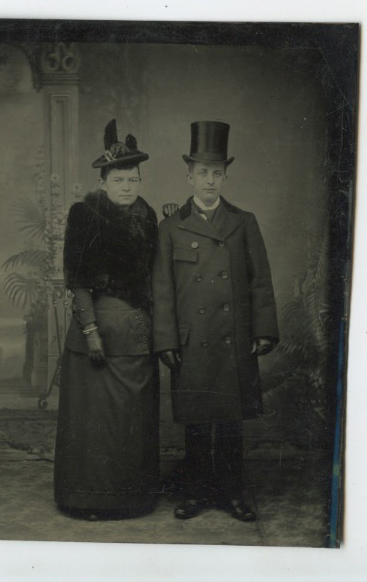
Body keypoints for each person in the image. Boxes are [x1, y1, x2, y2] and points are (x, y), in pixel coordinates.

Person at [152, 121, 279, 522]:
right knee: (195, 422)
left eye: (217, 173)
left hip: (232, 338)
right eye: (203, 172)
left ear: (225, 177)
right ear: (189, 175)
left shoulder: (244, 222)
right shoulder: (170, 227)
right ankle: (195, 493)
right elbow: (162, 290)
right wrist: (166, 340)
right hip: (191, 341)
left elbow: (260, 280)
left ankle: (231, 493)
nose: (210, 180)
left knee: (229, 423)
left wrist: (263, 329)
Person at [54, 119, 160, 521]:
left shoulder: (147, 216)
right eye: (118, 180)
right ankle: (87, 499)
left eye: (133, 179)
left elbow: (155, 274)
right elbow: (77, 279)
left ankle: (133, 498)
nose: (127, 187)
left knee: (132, 419)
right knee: (95, 420)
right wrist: (91, 331)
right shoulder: (84, 214)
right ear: (103, 182)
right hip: (96, 331)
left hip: (136, 333)